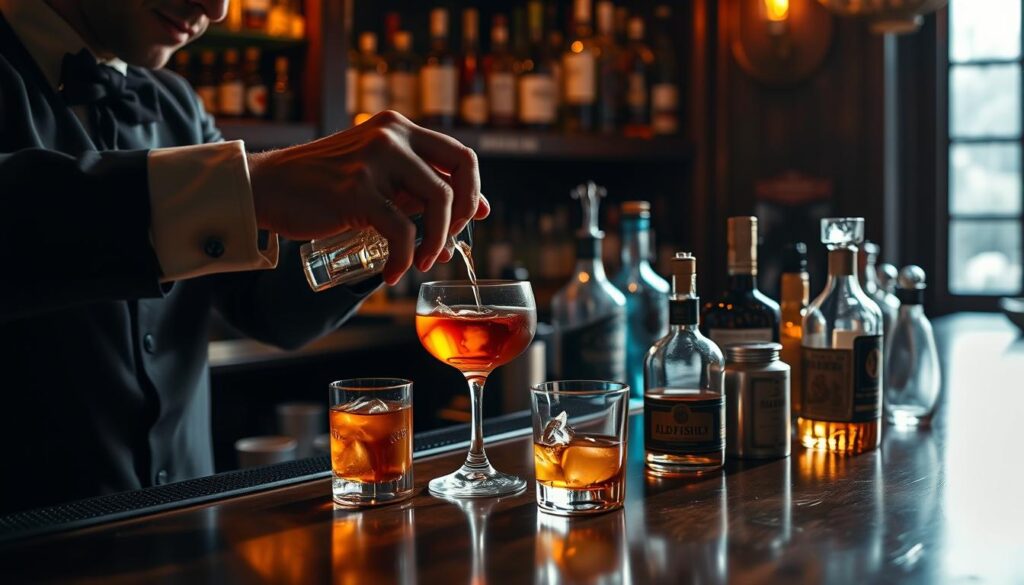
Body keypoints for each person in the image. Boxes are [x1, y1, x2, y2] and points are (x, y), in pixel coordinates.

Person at [0, 0, 489, 514]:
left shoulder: (176, 104)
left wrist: (386, 223)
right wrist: (247, 186)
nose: (216, 8)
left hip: (185, 531)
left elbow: (268, 307)